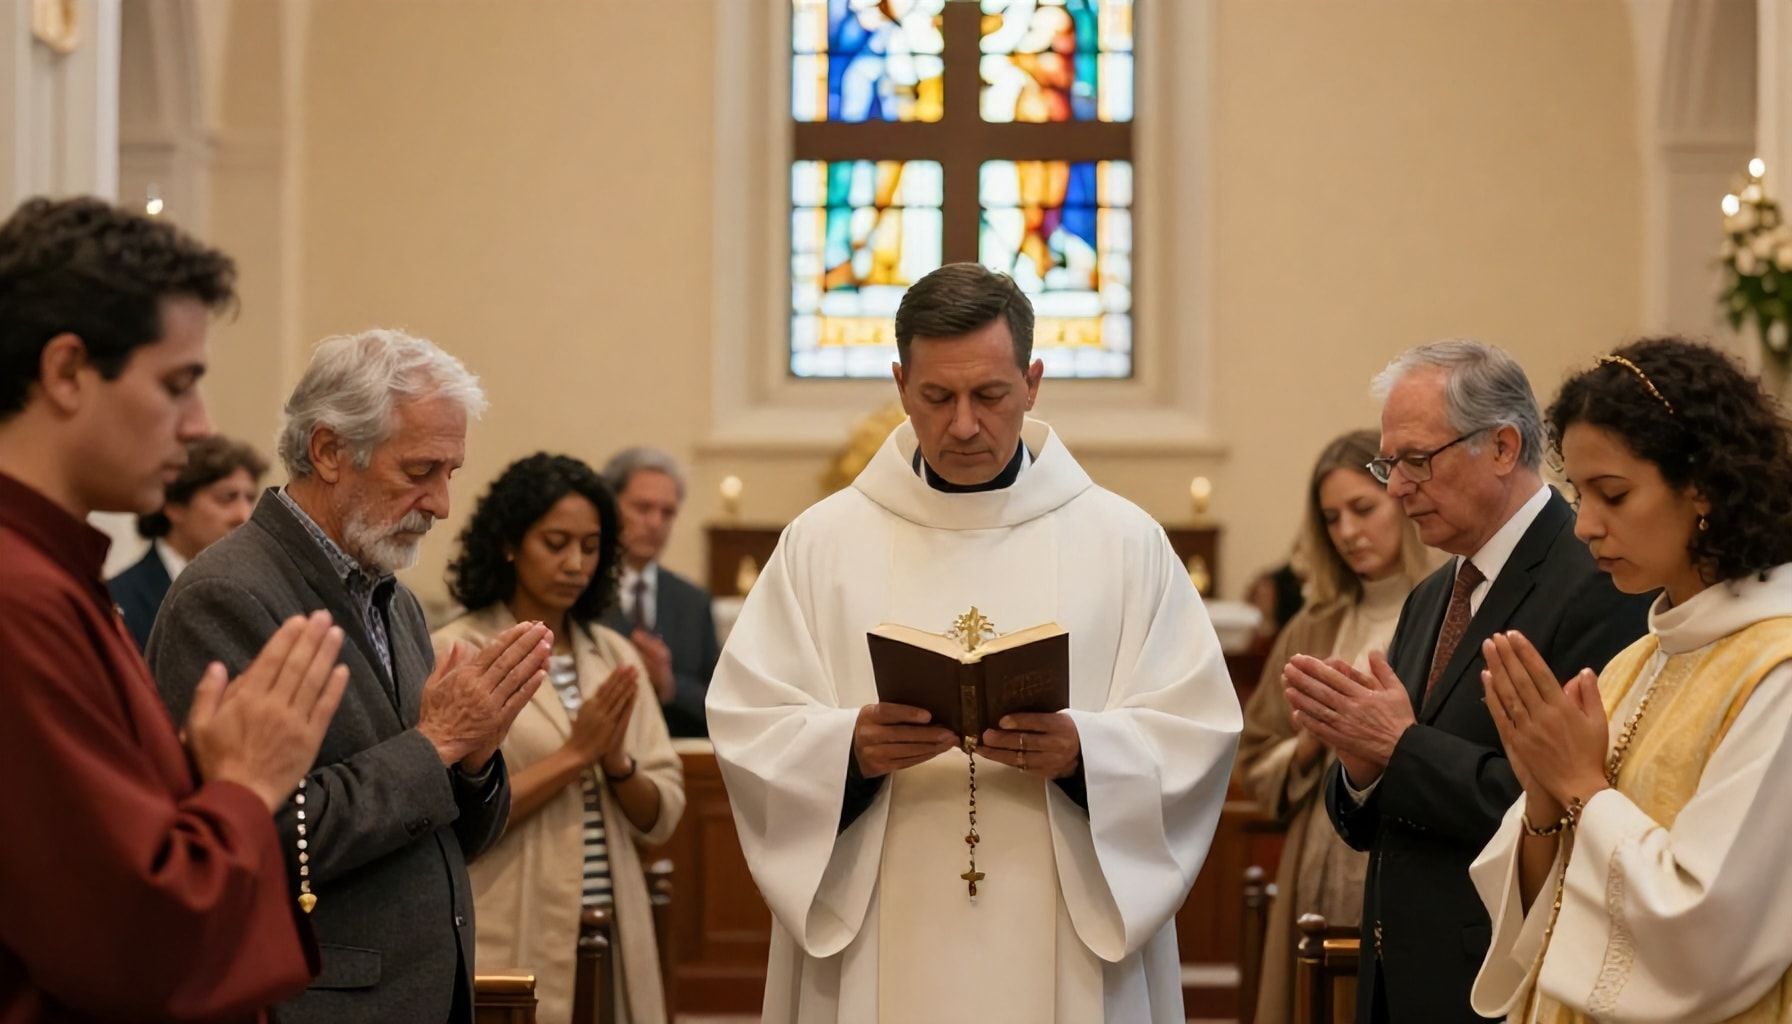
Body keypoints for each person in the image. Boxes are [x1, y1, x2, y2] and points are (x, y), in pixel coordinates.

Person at [706, 262, 1242, 1024]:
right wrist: (845, 750)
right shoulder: (822, 544)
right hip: (881, 919)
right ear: (899, 386)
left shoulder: (1123, 543)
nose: (963, 424)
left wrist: (1087, 754)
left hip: (1064, 925)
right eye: (937, 397)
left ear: (1032, 382)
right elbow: (747, 723)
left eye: (989, 396)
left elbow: (1196, 731)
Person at [0, 194, 351, 1020]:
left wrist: (192, 774)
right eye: (177, 384)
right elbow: (127, 939)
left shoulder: (55, 570)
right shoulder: (20, 598)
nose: (201, 426)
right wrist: (244, 782)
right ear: (66, 372)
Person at [147, 329, 551, 1024]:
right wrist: (438, 745)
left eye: (450, 473)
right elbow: (256, 838)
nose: (441, 504)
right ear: (330, 451)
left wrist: (475, 762)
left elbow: (446, 841)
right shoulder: (229, 595)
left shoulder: (391, 598)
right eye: (419, 471)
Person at [1283, 339, 1651, 1022]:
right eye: (1388, 464)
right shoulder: (1435, 593)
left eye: (1417, 461)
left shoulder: (1595, 582)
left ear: (1504, 447)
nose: (1396, 488)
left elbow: (1577, 806)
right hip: (1397, 976)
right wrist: (1360, 769)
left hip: (1498, 980)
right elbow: (1385, 816)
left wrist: (1400, 748)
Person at [1470, 338, 1792, 1023]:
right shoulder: (1636, 661)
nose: (1584, 526)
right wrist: (1543, 802)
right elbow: (1538, 920)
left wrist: (1583, 790)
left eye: (1612, 494)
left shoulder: (1778, 672)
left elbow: (1709, 925)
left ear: (1703, 484)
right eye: (1579, 494)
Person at [435, 453, 685, 1024]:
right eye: (556, 543)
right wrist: (578, 755)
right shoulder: (463, 651)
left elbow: (663, 816)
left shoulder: (613, 654)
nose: (576, 563)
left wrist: (617, 763)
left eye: (591, 546)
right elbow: (454, 819)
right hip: (511, 916)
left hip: (611, 919)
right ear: (509, 544)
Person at [1235, 428, 1433, 1024]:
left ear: (1403, 498)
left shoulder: (1448, 611)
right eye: (1331, 518)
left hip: (1403, 858)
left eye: (1362, 509)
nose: (1347, 531)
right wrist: (1309, 743)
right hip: (1315, 861)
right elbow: (1254, 754)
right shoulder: (1312, 628)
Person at [600, 446, 720, 737]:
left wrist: (669, 686)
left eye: (667, 512)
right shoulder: (577, 589)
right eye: (643, 508)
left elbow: (720, 703)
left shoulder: (692, 601)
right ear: (609, 507)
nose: (655, 523)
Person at [110, 433, 266, 649]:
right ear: (175, 506)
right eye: (227, 498)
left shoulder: (257, 593)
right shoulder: (120, 600)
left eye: (250, 499)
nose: (244, 515)